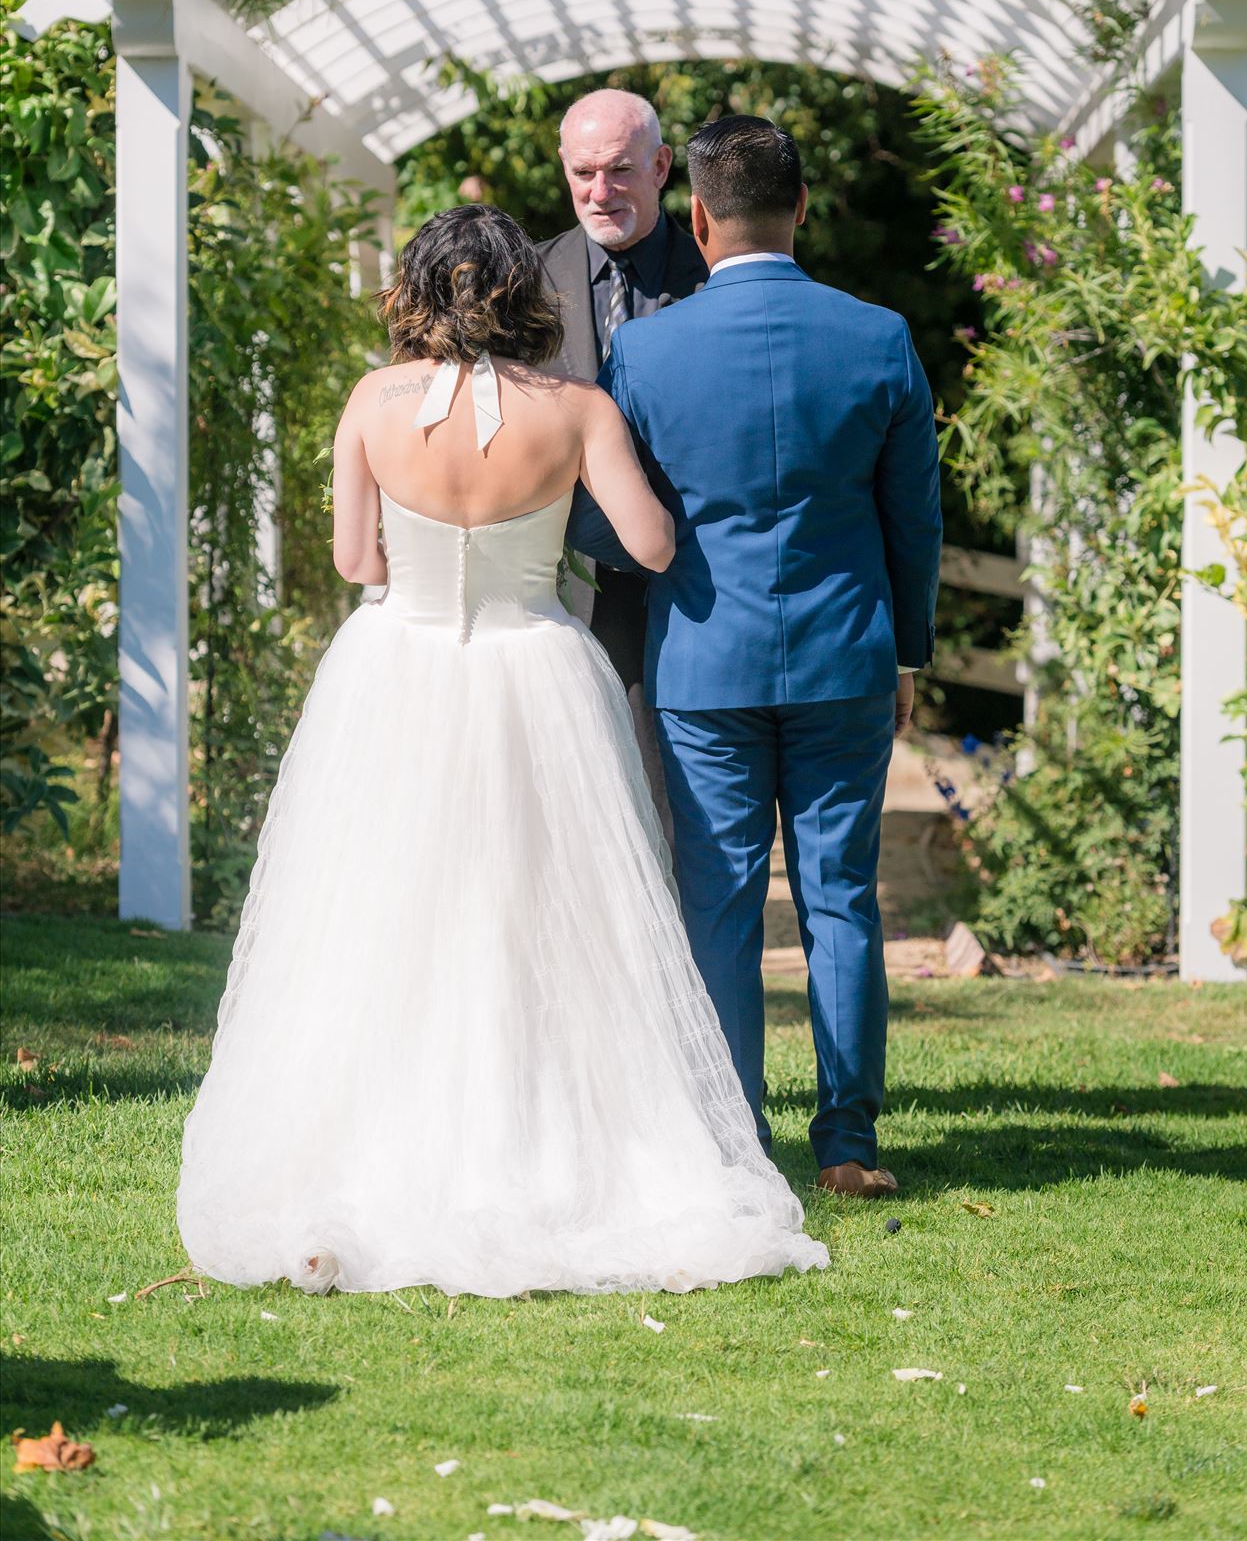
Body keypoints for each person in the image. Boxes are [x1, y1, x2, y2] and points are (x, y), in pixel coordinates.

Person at [176, 203, 827, 1298]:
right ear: (529, 292)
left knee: (386, 913)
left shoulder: (372, 402)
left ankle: (379, 1146)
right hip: (535, 672)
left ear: (417, 291)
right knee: (545, 917)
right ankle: (541, 1143)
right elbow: (654, 545)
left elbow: (352, 562)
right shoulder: (576, 408)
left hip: (398, 671)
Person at [568, 117, 943, 1199]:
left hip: (701, 663)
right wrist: (908, 651)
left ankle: (735, 1141)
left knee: (719, 903)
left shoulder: (645, 349)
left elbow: (607, 524)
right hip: (845, 660)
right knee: (841, 899)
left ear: (696, 215)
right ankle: (849, 1144)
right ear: (805, 209)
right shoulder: (878, 338)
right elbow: (912, 517)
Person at [538, 92, 705, 818]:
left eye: (618, 170)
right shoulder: (528, 279)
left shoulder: (713, 276)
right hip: (557, 593)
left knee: (672, 815)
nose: (598, 193)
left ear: (661, 166)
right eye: (582, 173)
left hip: (691, 590)